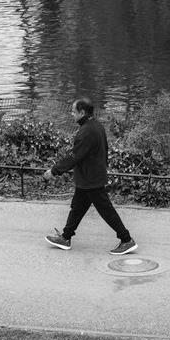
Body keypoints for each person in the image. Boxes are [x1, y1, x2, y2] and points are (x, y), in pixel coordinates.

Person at [43, 97, 137, 255]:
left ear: (82, 112)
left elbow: (74, 156)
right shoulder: (96, 125)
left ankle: (126, 240)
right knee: (77, 208)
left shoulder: (86, 131)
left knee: (106, 210)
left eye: (73, 111)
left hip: (91, 179)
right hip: (89, 177)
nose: (71, 114)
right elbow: (104, 150)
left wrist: (54, 171)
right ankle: (65, 237)